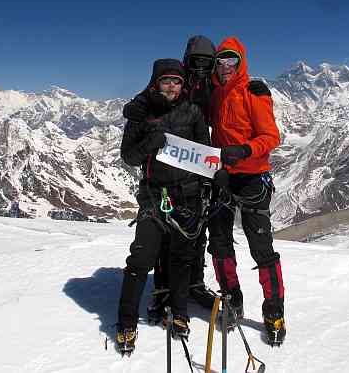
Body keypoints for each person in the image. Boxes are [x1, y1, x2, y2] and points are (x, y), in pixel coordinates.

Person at [116, 58, 210, 354]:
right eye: (166, 80)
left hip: (187, 195)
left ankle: (179, 311)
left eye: (177, 81)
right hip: (154, 195)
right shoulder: (142, 114)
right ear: (156, 82)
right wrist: (149, 144)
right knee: (141, 259)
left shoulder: (193, 111)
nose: (172, 86)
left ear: (184, 85)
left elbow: (205, 154)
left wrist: (213, 177)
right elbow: (128, 156)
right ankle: (126, 322)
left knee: (182, 257)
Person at [207, 37, 287, 346]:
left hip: (253, 177)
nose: (226, 67)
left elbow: (271, 136)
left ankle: (274, 312)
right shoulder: (216, 95)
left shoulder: (254, 93)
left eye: (232, 62)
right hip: (224, 177)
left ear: (241, 63)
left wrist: (244, 150)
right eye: (221, 62)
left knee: (262, 249)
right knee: (220, 243)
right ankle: (232, 298)